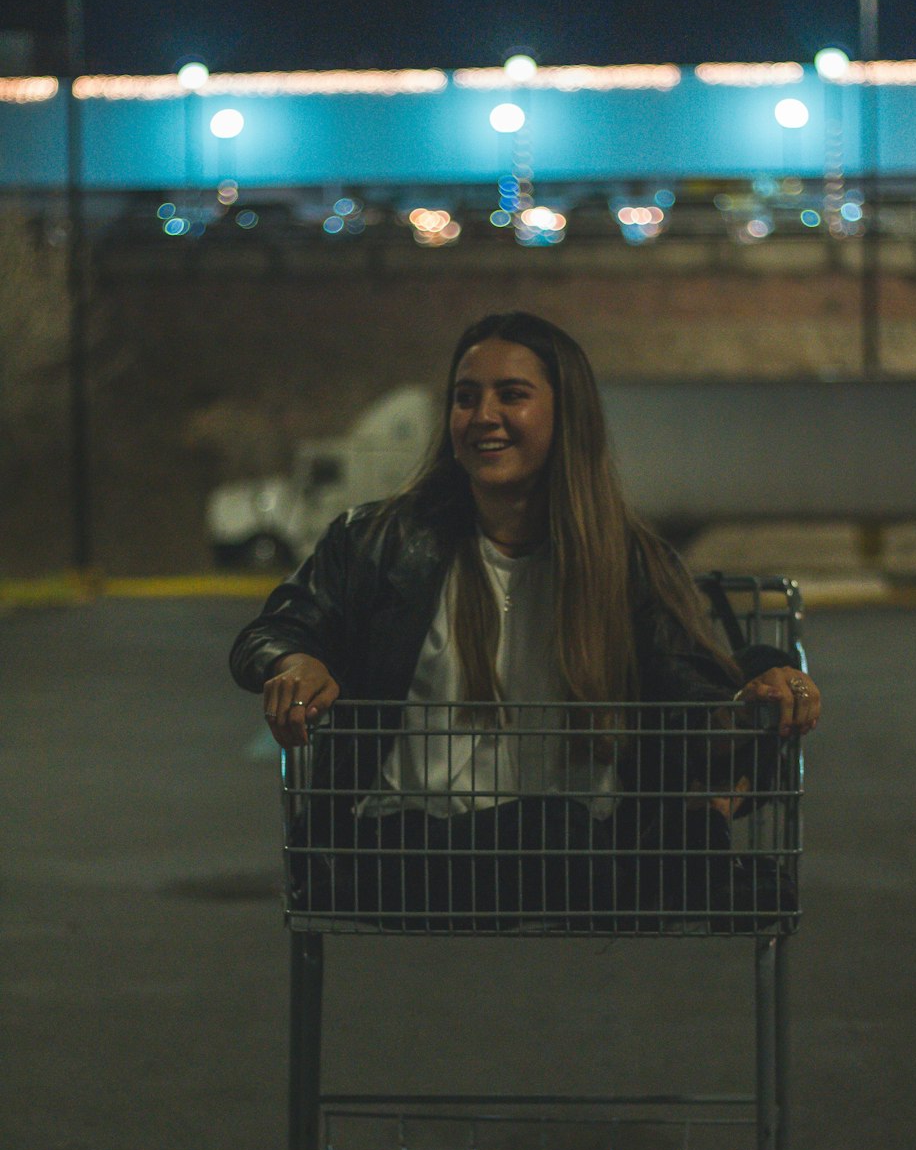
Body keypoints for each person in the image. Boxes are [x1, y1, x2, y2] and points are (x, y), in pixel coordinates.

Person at [230, 311, 821, 928]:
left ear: (568, 417)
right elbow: (277, 629)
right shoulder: (378, 542)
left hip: (574, 848)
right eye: (465, 398)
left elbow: (686, 696)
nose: (483, 416)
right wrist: (295, 663)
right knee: (557, 829)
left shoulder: (626, 560)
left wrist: (760, 699)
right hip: (402, 851)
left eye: (511, 395)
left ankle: (692, 849)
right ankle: (693, 866)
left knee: (761, 672)